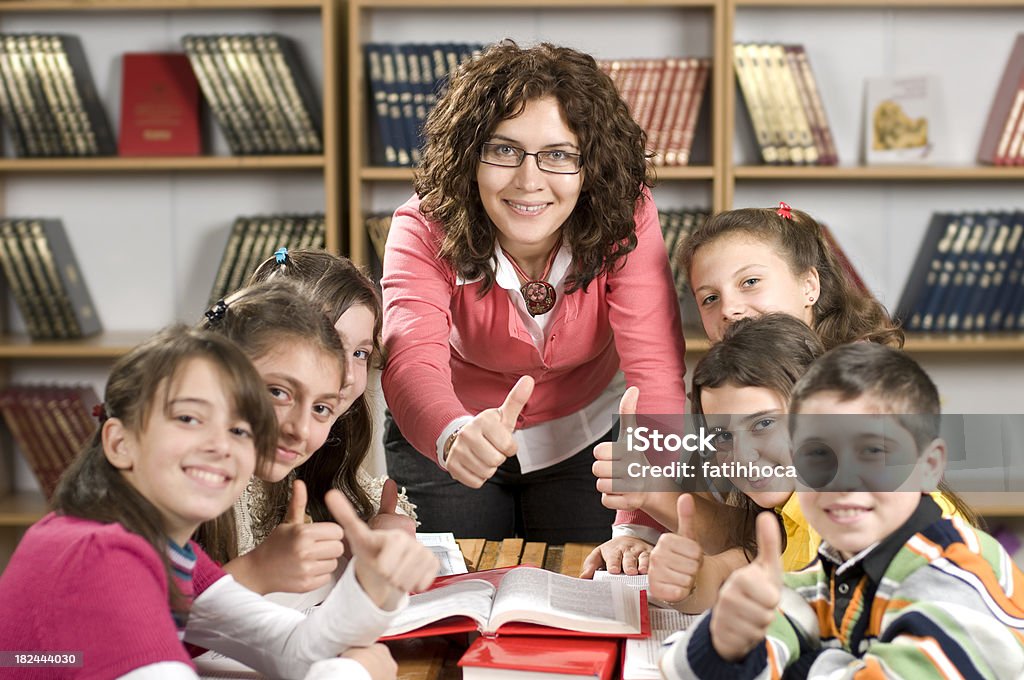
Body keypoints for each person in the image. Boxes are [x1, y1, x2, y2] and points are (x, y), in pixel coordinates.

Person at [0, 325, 437, 680]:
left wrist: (373, 583)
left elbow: (294, 646)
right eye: (190, 418)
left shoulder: (166, 550)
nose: (220, 446)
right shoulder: (100, 559)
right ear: (120, 442)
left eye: (240, 430)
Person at [381, 40, 686, 542]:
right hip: (455, 431)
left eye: (559, 155)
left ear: (592, 166)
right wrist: (452, 433)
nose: (529, 181)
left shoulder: (625, 216)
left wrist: (640, 515)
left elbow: (654, 373)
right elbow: (410, 359)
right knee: (456, 598)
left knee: (586, 595)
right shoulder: (424, 225)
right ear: (468, 155)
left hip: (584, 437)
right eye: (504, 150)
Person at [660, 343, 1024, 679]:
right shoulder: (835, 567)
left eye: (873, 451)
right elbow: (680, 670)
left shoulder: (956, 576)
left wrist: (790, 663)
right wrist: (722, 641)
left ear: (929, 466)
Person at [585, 202, 906, 574]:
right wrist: (642, 518)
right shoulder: (732, 387)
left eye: (750, 282)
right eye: (710, 298)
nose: (730, 309)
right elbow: (748, 535)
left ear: (809, 285)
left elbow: (776, 550)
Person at [194, 279, 394, 595]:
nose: (299, 429)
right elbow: (152, 629)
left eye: (321, 408)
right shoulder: (173, 486)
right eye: (278, 392)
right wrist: (256, 572)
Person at [248, 247, 417, 535]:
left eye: (361, 353)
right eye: (332, 346)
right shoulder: (225, 472)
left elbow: (362, 496)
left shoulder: (323, 444)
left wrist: (385, 524)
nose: (348, 376)